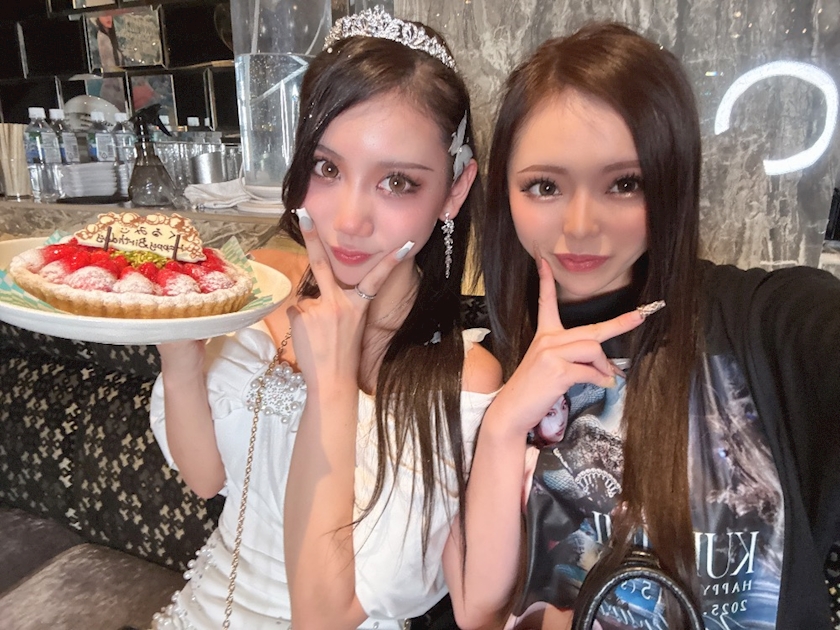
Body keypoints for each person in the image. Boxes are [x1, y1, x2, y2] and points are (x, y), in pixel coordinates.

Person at [454, 22, 840, 630]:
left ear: (671, 181)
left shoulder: (760, 324)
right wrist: (504, 424)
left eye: (625, 184)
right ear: (504, 189)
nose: (581, 227)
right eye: (545, 186)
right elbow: (482, 613)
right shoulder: (486, 364)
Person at [148, 7, 500, 630]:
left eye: (398, 182)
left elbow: (326, 618)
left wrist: (332, 383)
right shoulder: (263, 286)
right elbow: (206, 479)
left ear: (454, 189)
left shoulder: (462, 379)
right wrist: (178, 350)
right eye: (327, 168)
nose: (349, 220)